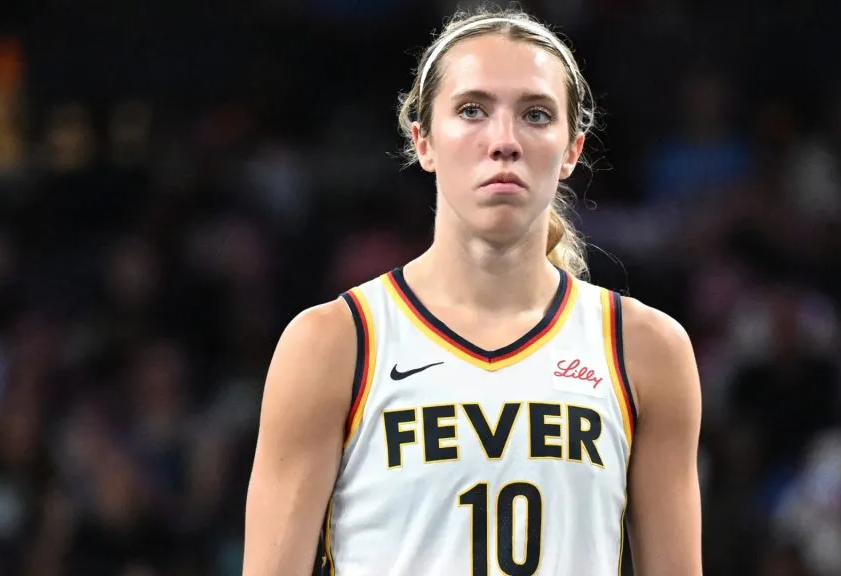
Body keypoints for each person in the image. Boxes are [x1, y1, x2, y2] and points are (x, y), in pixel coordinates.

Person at [243, 7, 702, 576]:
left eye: (535, 114)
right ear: (423, 141)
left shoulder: (645, 348)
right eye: (471, 111)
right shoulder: (333, 344)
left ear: (572, 150)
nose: (504, 140)